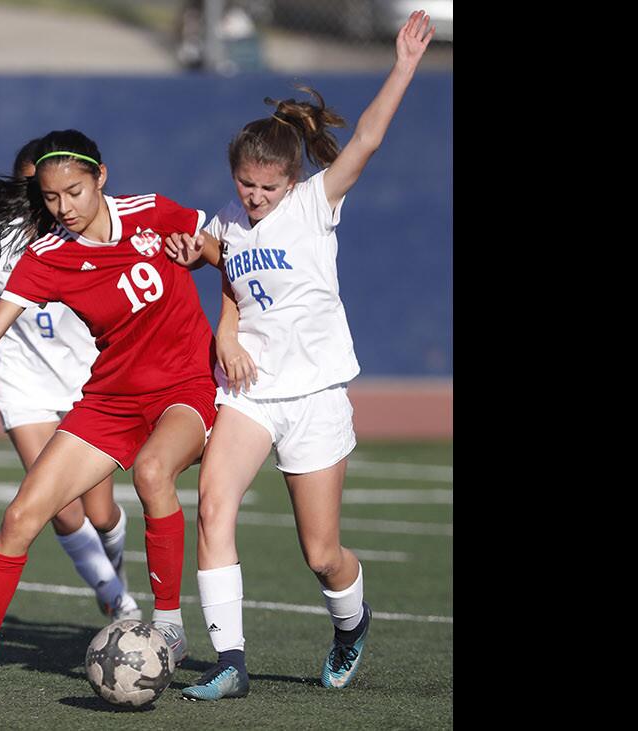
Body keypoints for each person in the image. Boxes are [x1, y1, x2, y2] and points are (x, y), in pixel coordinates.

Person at [164, 10, 436, 700]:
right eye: (246, 184)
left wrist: (402, 64)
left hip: (314, 395)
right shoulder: (228, 219)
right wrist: (219, 322)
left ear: (291, 178)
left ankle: (350, 623)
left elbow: (368, 138)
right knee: (213, 505)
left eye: (266, 187)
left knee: (321, 553)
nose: (254, 198)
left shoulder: (316, 203)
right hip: (249, 393)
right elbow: (220, 266)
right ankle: (230, 660)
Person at [0, 129, 218, 696]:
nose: (63, 207)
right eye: (50, 198)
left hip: (183, 388)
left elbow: (224, 254)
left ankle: (169, 624)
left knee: (151, 472)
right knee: (23, 516)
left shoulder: (153, 212)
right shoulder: (46, 257)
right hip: (109, 400)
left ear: (101, 177)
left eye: (74, 191)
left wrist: (205, 262)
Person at [0, 138, 138, 624]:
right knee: (59, 506)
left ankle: (112, 567)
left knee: (101, 515)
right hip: (23, 381)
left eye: (60, 190)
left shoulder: (91, 232)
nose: (52, 200)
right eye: (38, 189)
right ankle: (115, 596)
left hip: (88, 380)